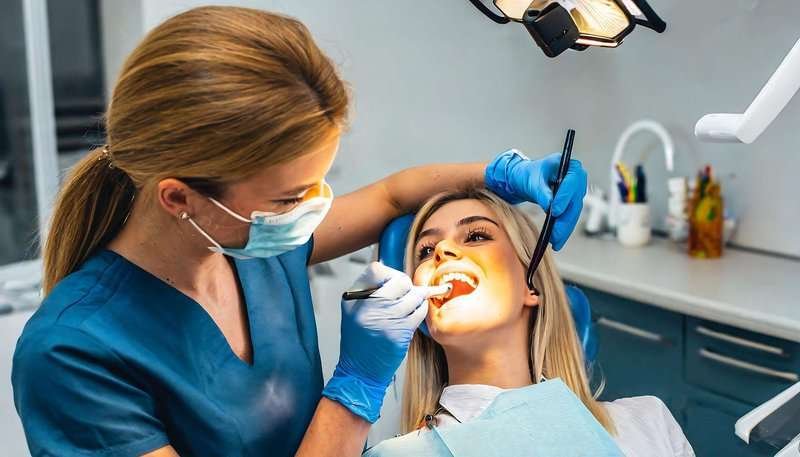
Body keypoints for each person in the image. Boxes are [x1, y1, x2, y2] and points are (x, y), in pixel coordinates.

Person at [11, 7, 588, 457]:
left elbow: (393, 195)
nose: (313, 210)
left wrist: (501, 174)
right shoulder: (72, 356)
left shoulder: (252, 242)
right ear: (179, 198)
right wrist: (357, 386)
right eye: (290, 197)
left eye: (320, 182)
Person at [365, 188, 694, 457]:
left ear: (531, 286)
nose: (444, 249)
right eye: (425, 250)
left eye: (477, 236)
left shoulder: (647, 423)